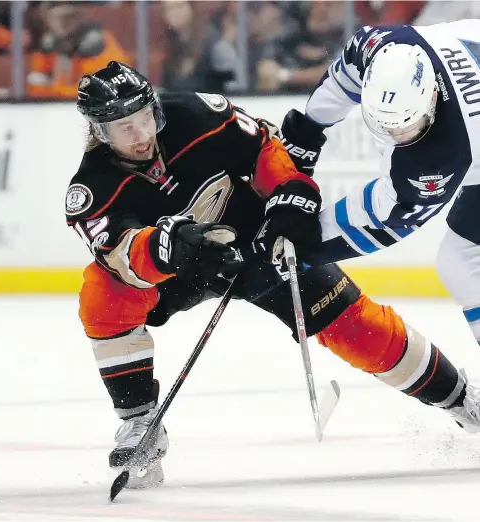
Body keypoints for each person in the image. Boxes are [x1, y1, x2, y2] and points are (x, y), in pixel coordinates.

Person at [66, 61, 480, 489]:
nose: (140, 135)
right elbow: (120, 255)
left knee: (354, 326)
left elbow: (264, 147)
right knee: (102, 293)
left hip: (257, 243)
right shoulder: (91, 190)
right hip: (181, 272)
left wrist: (288, 195)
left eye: (144, 118)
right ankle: (139, 423)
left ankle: (462, 400)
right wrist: (165, 248)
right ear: (99, 132)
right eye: (123, 128)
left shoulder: (197, 114)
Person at [276, 19, 480, 345]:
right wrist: (309, 129)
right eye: (382, 124)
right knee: (461, 261)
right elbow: (345, 76)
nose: (394, 137)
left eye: (405, 127)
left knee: (463, 260)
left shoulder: (440, 153)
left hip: (471, 136)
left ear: (431, 99)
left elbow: (387, 219)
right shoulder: (380, 44)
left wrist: (309, 243)